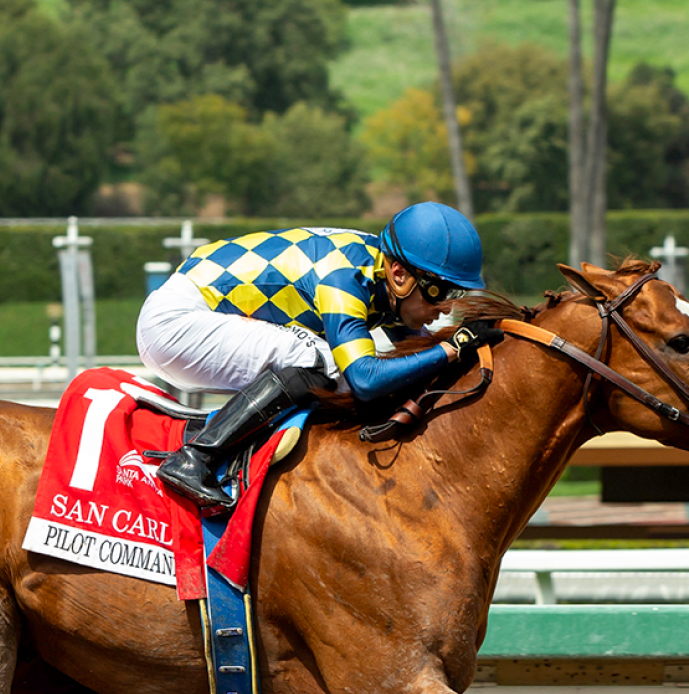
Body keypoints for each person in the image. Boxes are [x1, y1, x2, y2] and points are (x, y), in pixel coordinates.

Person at [138, 201, 498, 509]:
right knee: (325, 363)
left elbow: (413, 363)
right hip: (176, 323)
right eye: (439, 292)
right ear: (400, 274)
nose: (447, 307)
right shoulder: (344, 278)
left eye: (457, 294)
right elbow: (366, 379)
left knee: (340, 363)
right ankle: (195, 459)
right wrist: (451, 348)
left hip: (196, 316)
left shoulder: (381, 274)